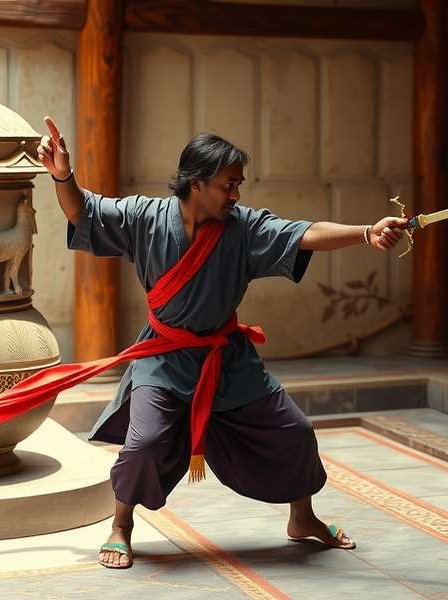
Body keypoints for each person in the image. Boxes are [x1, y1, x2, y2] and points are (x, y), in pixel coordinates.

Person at [37, 116, 408, 569]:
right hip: (165, 357)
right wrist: (63, 176)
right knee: (143, 443)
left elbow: (303, 232)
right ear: (196, 183)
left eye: (238, 185)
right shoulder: (144, 218)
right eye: (228, 185)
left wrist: (366, 232)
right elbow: (84, 212)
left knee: (295, 431)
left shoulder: (243, 227)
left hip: (227, 357)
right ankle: (121, 526)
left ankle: (303, 517)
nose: (236, 195)